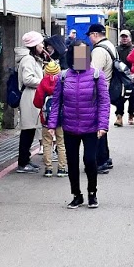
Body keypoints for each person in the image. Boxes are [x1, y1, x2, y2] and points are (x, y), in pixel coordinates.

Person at [46, 44, 108, 208]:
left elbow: (104, 102)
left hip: (91, 127)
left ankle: (92, 193)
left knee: (89, 160)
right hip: (70, 127)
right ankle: (76, 195)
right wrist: (52, 124)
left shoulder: (97, 75)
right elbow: (56, 102)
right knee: (72, 162)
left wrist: (103, 125)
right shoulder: (63, 76)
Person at [13, 31, 47, 173]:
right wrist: (44, 83)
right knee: (27, 131)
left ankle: (26, 160)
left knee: (31, 129)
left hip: (33, 95)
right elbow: (28, 79)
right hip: (30, 96)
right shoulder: (28, 59)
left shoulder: (33, 58)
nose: (43, 45)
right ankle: (22, 163)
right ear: (34, 45)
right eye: (40, 43)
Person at [86, 23, 118, 173]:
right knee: (101, 125)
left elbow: (93, 73)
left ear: (94, 34)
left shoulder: (99, 50)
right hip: (107, 90)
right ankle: (105, 158)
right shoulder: (110, 45)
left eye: (90, 36)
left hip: (98, 92)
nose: (90, 39)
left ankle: (100, 161)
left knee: (96, 127)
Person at [33, 59, 67, 179]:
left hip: (46, 119)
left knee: (47, 143)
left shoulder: (42, 83)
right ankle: (62, 169)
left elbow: (37, 102)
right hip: (61, 119)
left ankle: (48, 169)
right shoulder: (62, 82)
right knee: (61, 143)